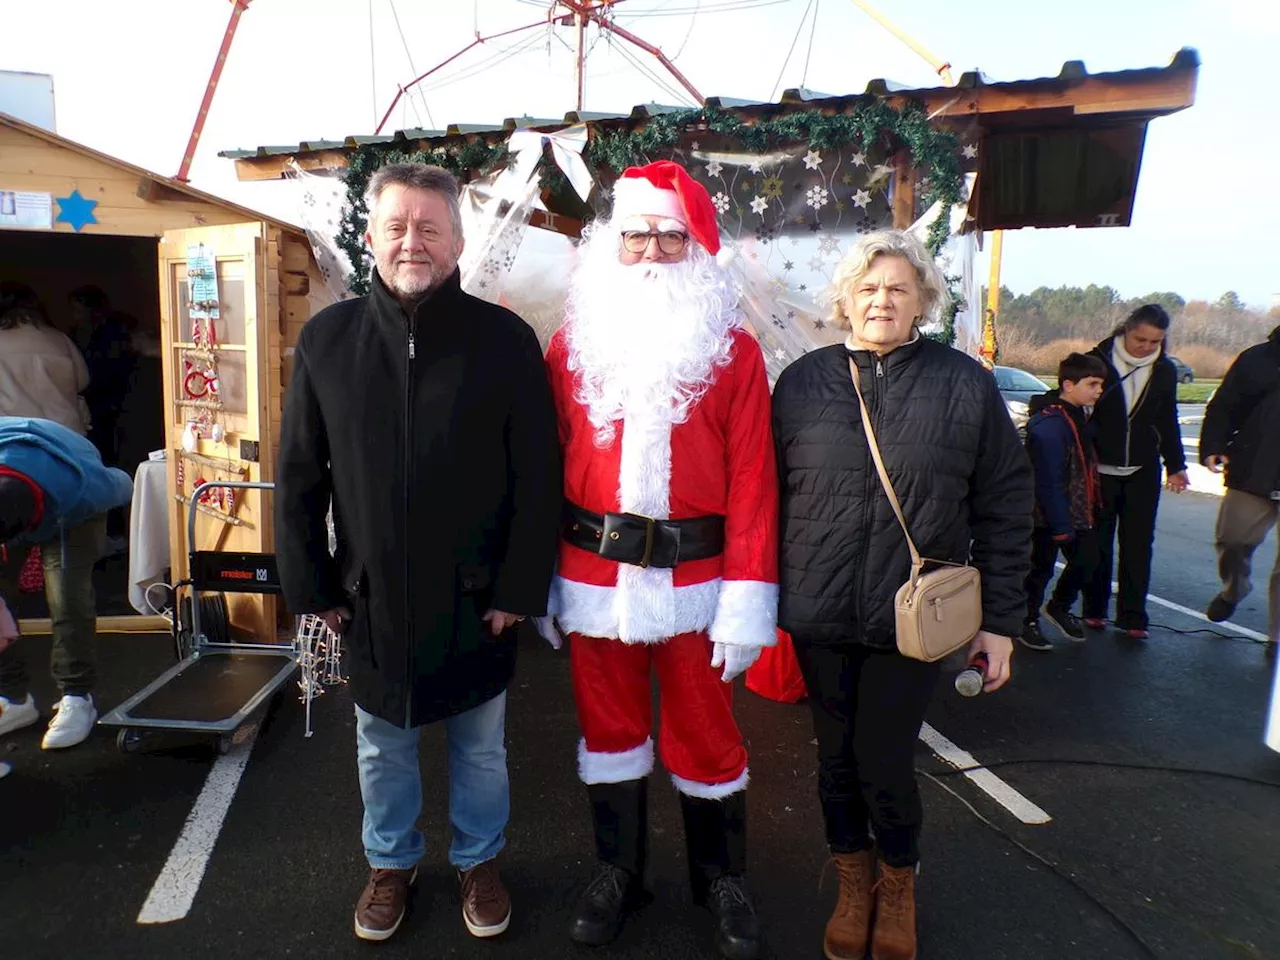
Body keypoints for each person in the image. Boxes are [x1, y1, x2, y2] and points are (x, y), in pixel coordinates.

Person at [275, 163, 561, 944]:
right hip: (372, 596)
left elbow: (539, 476)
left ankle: (479, 859)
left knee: (480, 748)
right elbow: (299, 473)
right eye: (397, 226)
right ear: (370, 237)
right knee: (381, 746)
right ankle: (390, 864)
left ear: (458, 240)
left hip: (478, 595)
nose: (413, 241)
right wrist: (312, 587)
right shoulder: (328, 341)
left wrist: (519, 585)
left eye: (430, 227)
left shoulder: (505, 342)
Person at [541, 160, 778, 960]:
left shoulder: (735, 353)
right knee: (606, 730)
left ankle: (721, 877)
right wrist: (537, 579)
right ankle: (619, 872)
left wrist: (749, 598)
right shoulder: (571, 346)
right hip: (592, 576)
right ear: (614, 244)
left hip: (700, 584)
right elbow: (544, 467)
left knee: (708, 734)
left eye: (668, 237)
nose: (649, 251)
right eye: (636, 234)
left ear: (697, 251)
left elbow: (753, 480)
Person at [772, 230, 1032, 960]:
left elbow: (1006, 505)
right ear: (845, 300)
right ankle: (851, 878)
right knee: (834, 763)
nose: (881, 299)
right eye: (868, 288)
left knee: (885, 760)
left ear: (923, 299)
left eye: (897, 288)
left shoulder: (963, 383)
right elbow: (767, 496)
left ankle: (896, 882)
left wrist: (1002, 622)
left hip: (913, 620)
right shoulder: (802, 384)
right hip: (819, 613)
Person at [0, 288, 111, 750]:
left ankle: (14, 693)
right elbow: (83, 381)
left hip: (26, 467)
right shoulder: (60, 339)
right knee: (67, 593)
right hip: (69, 459)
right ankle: (75, 694)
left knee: (7, 594)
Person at [0, 416, 132, 749]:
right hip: (15, 459)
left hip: (68, 486)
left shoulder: (84, 490)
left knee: (66, 595)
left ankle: (78, 697)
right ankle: (12, 696)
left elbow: (124, 485)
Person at [1084, 305, 1189, 639]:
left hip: (1142, 470)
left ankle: (1133, 616)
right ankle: (1094, 609)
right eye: (1140, 338)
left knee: (1139, 544)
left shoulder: (1164, 370)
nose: (1146, 346)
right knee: (1098, 543)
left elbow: (1167, 419)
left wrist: (1176, 465)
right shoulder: (1096, 360)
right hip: (1100, 469)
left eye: (1154, 341)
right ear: (1125, 330)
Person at [1020, 352, 1108, 651]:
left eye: (1101, 384)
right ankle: (1026, 620)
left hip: (1074, 510)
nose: (1098, 390)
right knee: (1038, 568)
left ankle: (1058, 606)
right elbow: (1047, 480)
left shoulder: (1077, 415)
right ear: (1068, 385)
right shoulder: (1050, 424)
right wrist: (1059, 524)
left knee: (1088, 559)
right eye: (1092, 384)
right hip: (1046, 514)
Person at [1200, 325, 1280, 644]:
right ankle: (1235, 588)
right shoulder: (1257, 360)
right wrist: (1212, 445)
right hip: (1254, 470)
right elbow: (1223, 407)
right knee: (1232, 541)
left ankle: (1275, 641)